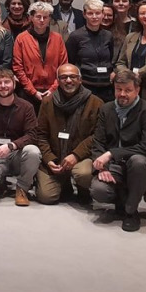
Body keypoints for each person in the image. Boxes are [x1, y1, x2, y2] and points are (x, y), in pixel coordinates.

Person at [90, 68, 146, 232]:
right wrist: (103, 167)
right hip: (114, 166)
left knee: (138, 161)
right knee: (98, 189)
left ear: (137, 90)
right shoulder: (106, 109)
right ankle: (122, 201)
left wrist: (112, 153)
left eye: (128, 90)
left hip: (140, 166)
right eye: (118, 89)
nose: (122, 94)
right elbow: (98, 142)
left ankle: (130, 211)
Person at [35, 64, 102, 204]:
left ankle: (83, 188)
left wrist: (76, 155)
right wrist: (49, 159)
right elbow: (41, 134)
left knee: (83, 173)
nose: (69, 80)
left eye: (73, 77)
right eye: (63, 77)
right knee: (46, 197)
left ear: (80, 79)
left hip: (81, 157)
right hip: (55, 156)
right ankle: (64, 184)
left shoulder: (95, 103)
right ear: (57, 81)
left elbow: (97, 136)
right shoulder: (47, 102)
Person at [0, 68, 40, 206]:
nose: (3, 86)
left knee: (33, 151)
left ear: (14, 84)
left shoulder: (26, 107)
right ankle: (0, 182)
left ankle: (22, 189)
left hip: (17, 154)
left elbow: (32, 135)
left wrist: (11, 146)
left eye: (7, 82)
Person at [12, 1, 69, 110]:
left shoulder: (57, 38)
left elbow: (63, 66)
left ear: (49, 19)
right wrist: (33, 91)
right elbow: (18, 68)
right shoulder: (21, 38)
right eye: (38, 17)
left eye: (45, 17)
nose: (42, 20)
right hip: (28, 92)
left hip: (54, 92)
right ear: (31, 18)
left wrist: (53, 89)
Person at [65, 0, 116, 103]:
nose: (94, 17)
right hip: (85, 86)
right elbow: (71, 61)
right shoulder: (75, 36)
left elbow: (111, 58)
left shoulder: (108, 35)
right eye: (90, 13)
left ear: (102, 14)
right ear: (84, 15)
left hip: (107, 86)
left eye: (97, 13)